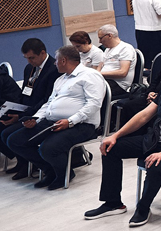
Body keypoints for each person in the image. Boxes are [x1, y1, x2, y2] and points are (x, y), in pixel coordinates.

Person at [85, 54, 161, 224]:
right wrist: (115, 135)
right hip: (157, 140)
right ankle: (113, 203)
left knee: (155, 165)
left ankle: (143, 209)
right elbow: (144, 115)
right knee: (111, 148)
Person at [6, 45, 106, 191]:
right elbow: (49, 103)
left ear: (64, 60)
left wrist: (70, 121)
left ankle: (63, 174)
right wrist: (36, 118)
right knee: (15, 141)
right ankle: (50, 170)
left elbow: (94, 104)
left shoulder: (90, 75)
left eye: (57, 60)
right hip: (53, 121)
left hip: (82, 125)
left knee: (48, 148)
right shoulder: (61, 79)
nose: (54, 63)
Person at [0, 39, 58, 177]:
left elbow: (47, 100)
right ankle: (22, 160)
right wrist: (14, 110)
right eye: (26, 58)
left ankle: (33, 162)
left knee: (6, 133)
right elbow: (24, 92)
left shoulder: (54, 69)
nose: (29, 61)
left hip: (39, 113)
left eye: (32, 58)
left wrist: (22, 115)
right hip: (25, 110)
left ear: (42, 53)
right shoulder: (29, 68)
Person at [95, 25, 136, 100]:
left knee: (90, 89)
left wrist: (99, 74)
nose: (99, 41)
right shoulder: (107, 49)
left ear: (109, 36)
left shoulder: (125, 48)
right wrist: (96, 74)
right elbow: (100, 65)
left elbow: (123, 72)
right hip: (105, 80)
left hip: (118, 85)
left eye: (101, 38)